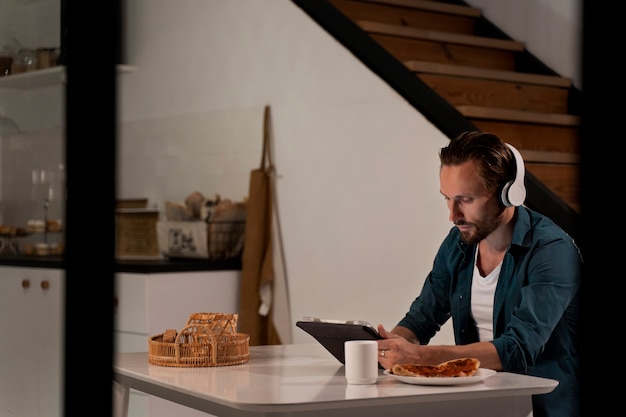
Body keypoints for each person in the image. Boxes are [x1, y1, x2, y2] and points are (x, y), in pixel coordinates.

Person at [376, 131, 581, 417]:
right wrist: (385, 348)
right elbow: (421, 319)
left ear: (509, 194)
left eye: (466, 199)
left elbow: (518, 350)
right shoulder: (458, 242)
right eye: (447, 199)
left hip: (543, 407)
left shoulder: (552, 251)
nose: (453, 215)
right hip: (484, 403)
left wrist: (420, 356)